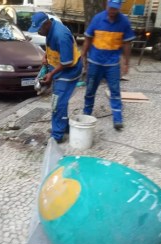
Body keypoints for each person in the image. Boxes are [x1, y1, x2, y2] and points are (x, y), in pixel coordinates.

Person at [28, 12, 83, 143]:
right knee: (59, 101)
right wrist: (46, 57)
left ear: (46, 24)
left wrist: (51, 74)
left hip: (69, 71)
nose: (38, 33)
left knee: (57, 102)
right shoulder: (50, 29)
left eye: (39, 30)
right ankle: (64, 126)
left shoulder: (61, 35)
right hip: (59, 69)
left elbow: (67, 62)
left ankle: (57, 136)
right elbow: (51, 47)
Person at [81, 0, 135, 130]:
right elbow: (88, 39)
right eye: (111, 8)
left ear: (119, 8)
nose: (112, 11)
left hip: (112, 65)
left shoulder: (124, 22)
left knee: (115, 91)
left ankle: (117, 119)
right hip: (95, 62)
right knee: (90, 90)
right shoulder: (97, 19)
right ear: (107, 5)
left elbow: (126, 44)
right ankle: (86, 114)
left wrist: (126, 63)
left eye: (115, 9)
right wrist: (83, 56)